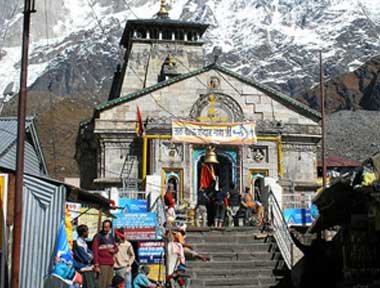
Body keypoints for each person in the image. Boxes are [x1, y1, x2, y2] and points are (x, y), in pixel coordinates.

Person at [92, 220, 119, 288]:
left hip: (110, 263)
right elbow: (95, 251)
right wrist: (96, 264)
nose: (105, 229)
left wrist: (114, 250)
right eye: (104, 227)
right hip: (102, 264)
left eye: (107, 227)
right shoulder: (98, 236)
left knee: (109, 283)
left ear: (110, 228)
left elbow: (116, 248)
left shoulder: (111, 237)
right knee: (101, 283)